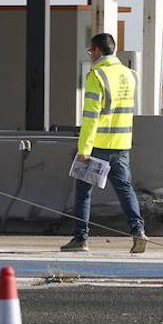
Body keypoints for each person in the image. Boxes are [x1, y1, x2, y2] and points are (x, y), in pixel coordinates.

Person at [61, 33, 147, 253]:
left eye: (91, 51)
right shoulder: (130, 75)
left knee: (83, 191)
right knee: (125, 189)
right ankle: (138, 231)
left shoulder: (97, 76)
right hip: (121, 144)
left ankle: (81, 239)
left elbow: (91, 116)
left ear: (98, 50)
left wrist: (84, 149)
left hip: (98, 144)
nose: (90, 56)